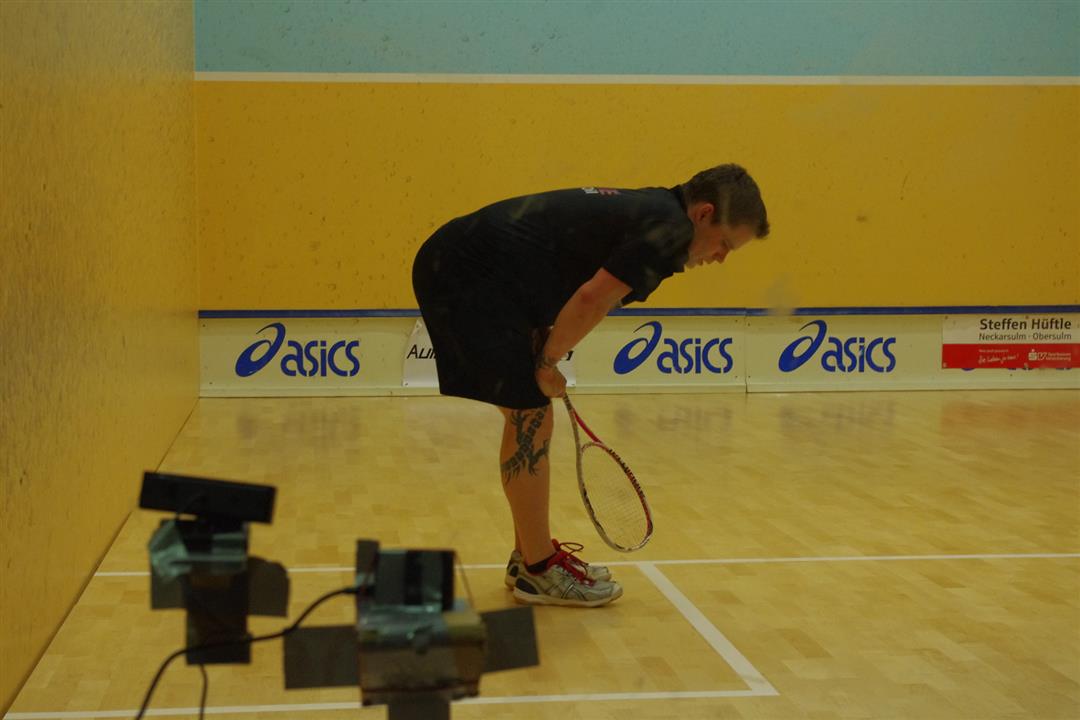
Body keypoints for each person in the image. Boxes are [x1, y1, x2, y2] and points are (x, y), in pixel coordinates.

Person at [411, 164, 769, 607]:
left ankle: (528, 558)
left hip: (473, 270)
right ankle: (538, 569)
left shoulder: (657, 211)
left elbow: (567, 273)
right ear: (704, 214)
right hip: (464, 275)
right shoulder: (668, 231)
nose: (720, 258)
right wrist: (547, 362)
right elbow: (591, 298)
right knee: (531, 415)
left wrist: (544, 343)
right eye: (725, 244)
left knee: (531, 416)